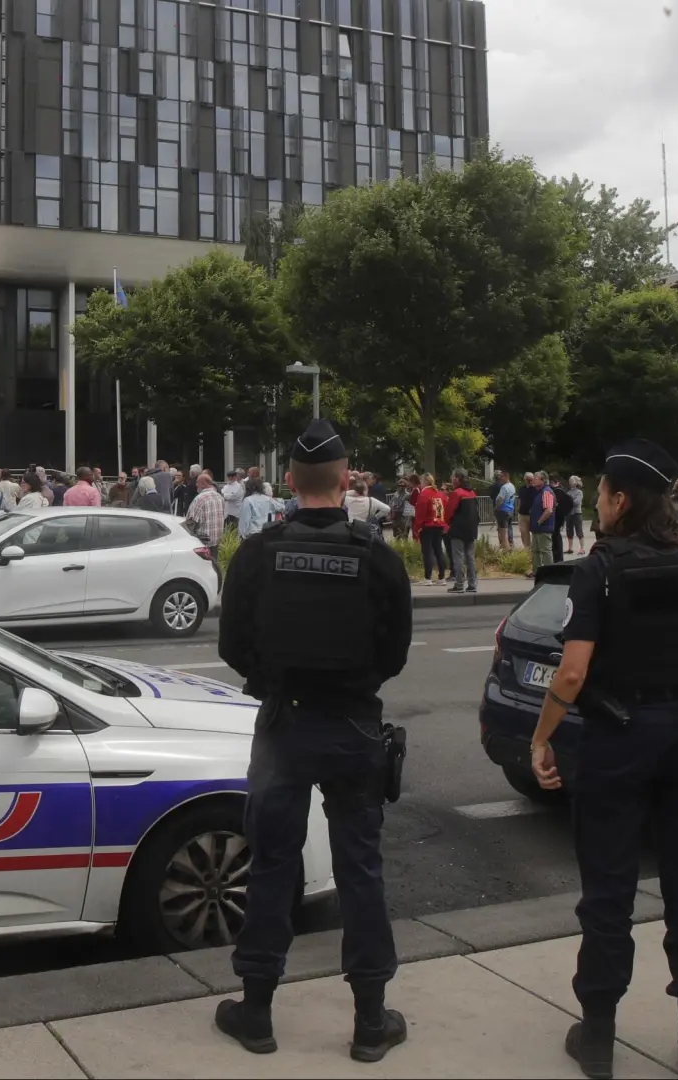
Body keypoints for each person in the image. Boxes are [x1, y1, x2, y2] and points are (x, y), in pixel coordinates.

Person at [529, 438, 678, 1080]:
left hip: (619, 739)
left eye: (603, 492)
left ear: (622, 500)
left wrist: (541, 737)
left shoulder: (600, 568)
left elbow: (572, 674)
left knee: (608, 892)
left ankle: (598, 1037)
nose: (598, 503)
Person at [213, 418, 413, 1064]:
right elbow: (396, 651)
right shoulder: (376, 557)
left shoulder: (258, 555)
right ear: (347, 479)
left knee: (272, 864)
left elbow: (232, 645)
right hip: (354, 726)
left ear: (290, 483)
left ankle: (259, 1012)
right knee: (361, 870)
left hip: (284, 725)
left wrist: (276, 680)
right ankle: (370, 1021)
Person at [446, 470, 481, 594]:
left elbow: (449, 511)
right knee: (470, 557)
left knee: (458, 557)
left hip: (458, 528)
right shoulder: (471, 492)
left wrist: (448, 524)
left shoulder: (456, 493)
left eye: (452, 476)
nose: (451, 479)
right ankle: (472, 584)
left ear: (457, 479)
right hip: (471, 529)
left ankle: (459, 584)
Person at [414, 473, 452, 583]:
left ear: (425, 481)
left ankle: (428, 577)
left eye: (421, 481)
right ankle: (441, 577)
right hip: (439, 525)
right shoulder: (440, 494)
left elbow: (420, 513)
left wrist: (418, 528)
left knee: (427, 551)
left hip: (427, 526)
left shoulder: (424, 494)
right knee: (438, 550)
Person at [185, 472, 225, 547]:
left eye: (197, 482)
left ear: (203, 484)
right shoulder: (220, 497)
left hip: (203, 544)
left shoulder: (200, 499)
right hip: (217, 542)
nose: (196, 485)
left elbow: (190, 523)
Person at [529, 471, 558, 572]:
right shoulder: (540, 492)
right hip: (538, 527)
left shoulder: (546, 492)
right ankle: (536, 571)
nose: (533, 479)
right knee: (535, 551)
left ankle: (549, 573)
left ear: (542, 480)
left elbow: (549, 510)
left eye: (536, 478)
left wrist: (539, 521)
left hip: (543, 527)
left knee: (545, 551)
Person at [565, 475, 588, 555]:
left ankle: (582, 549)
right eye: (570, 481)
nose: (570, 482)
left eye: (572, 481)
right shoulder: (568, 492)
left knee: (579, 531)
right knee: (569, 531)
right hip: (569, 514)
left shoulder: (579, 492)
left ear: (576, 482)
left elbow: (577, 502)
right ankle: (570, 548)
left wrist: (569, 501)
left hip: (577, 513)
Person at [495, 471, 517, 550]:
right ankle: (510, 546)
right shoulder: (512, 486)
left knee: (503, 534)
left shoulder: (504, 487)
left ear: (506, 477)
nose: (500, 478)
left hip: (503, 511)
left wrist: (496, 508)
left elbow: (500, 499)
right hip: (510, 510)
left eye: (501, 476)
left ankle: (507, 552)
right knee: (509, 530)